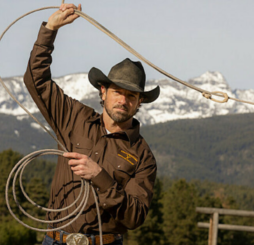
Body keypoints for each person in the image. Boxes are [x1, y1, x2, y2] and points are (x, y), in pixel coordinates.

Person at [23, 3, 160, 245]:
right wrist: (51, 29)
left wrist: (100, 176)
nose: (123, 100)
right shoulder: (75, 117)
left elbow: (135, 217)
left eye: (131, 96)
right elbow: (37, 80)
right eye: (117, 92)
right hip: (55, 240)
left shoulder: (143, 156)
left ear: (139, 102)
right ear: (103, 91)